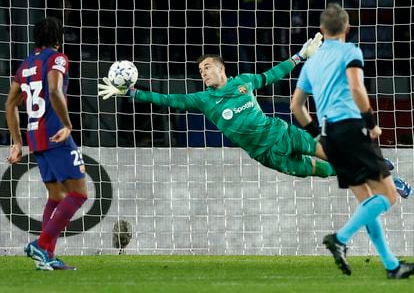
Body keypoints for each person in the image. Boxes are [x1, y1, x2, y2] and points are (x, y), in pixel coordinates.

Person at [99, 34, 340, 179]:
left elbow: (272, 75)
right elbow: (168, 99)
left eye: (207, 67)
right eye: (201, 70)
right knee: (321, 170)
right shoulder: (203, 100)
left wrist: (300, 56)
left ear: (221, 68)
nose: (203, 73)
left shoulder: (244, 81)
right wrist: (132, 92)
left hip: (281, 133)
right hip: (265, 154)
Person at [291, 3, 414, 279]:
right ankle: (340, 238)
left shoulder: (312, 63)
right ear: (347, 28)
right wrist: (371, 124)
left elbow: (296, 107)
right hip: (351, 130)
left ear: (322, 30)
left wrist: (316, 134)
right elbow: (357, 88)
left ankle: (392, 266)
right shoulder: (350, 51)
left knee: (367, 203)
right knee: (389, 195)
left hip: (330, 135)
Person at [5, 16, 87, 271]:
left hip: (34, 137)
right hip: (55, 134)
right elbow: (54, 90)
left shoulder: (25, 65)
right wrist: (67, 124)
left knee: (56, 195)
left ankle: (46, 258)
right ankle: (41, 245)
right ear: (58, 38)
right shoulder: (57, 58)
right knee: (79, 194)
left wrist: (16, 142)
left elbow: (9, 104)